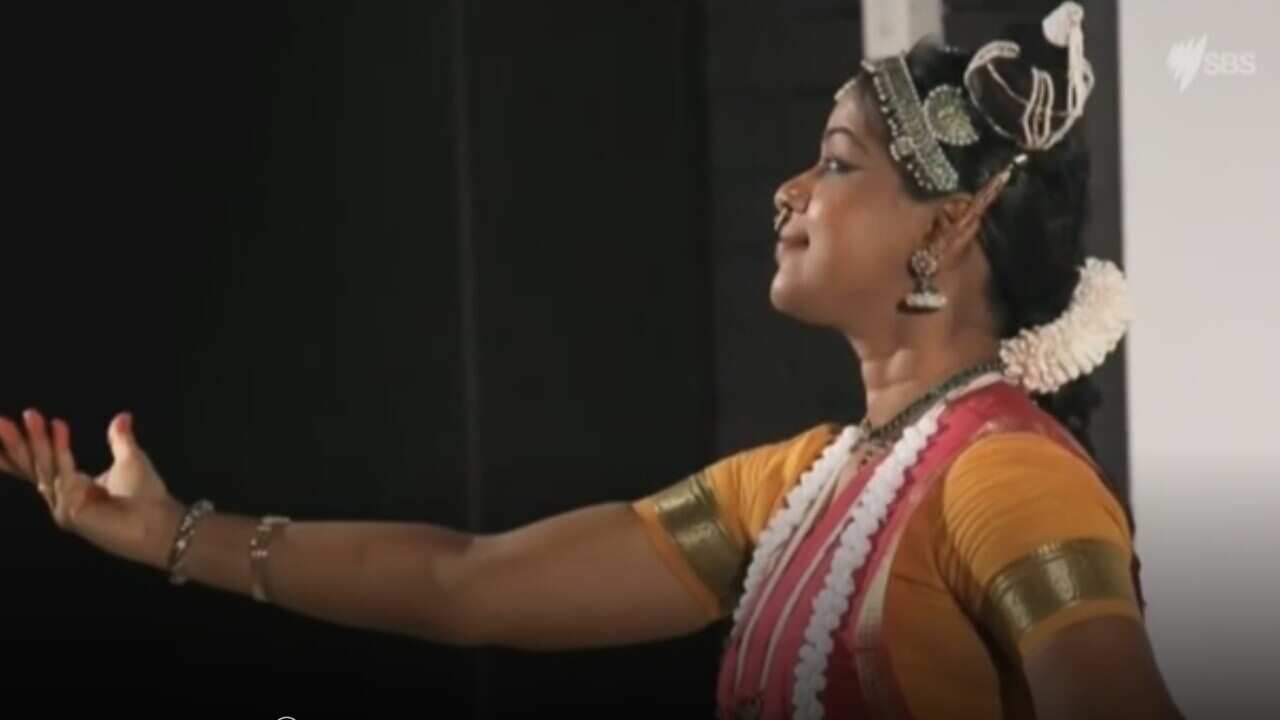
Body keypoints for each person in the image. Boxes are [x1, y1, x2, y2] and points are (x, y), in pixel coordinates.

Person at [0, 3, 1182, 718]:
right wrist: (172, 536)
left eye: (831, 162)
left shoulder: (1001, 480)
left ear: (947, 224)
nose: (787, 192)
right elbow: (466, 586)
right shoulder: (803, 486)